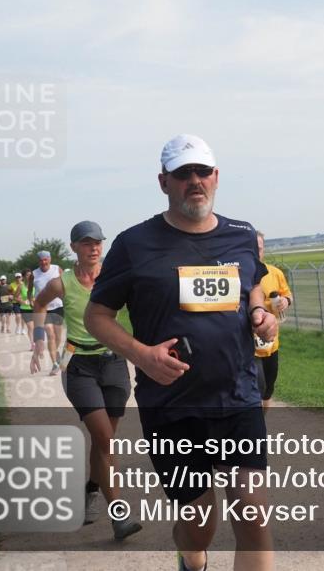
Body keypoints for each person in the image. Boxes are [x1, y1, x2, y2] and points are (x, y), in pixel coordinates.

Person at [84, 134, 278, 571]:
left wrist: (261, 311)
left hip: (237, 395)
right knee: (199, 522)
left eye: (202, 171)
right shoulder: (134, 244)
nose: (195, 181)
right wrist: (142, 355)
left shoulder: (242, 235)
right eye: (183, 173)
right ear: (163, 182)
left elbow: (253, 284)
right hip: (172, 405)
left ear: (216, 177)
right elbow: (97, 316)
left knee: (253, 511)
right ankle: (191, 557)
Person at [29, 220, 142, 541]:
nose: (94, 248)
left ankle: (91, 488)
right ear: (74, 247)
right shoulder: (60, 283)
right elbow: (38, 305)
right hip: (76, 362)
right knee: (105, 438)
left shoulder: (113, 275)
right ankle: (119, 515)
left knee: (104, 440)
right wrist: (39, 339)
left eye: (98, 243)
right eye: (86, 243)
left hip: (114, 362)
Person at [253, 231, 292, 412]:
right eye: (252, 248)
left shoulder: (275, 273)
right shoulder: (239, 274)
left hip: (271, 342)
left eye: (259, 249)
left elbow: (287, 294)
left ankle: (262, 425)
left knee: (268, 389)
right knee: (257, 387)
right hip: (248, 343)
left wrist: (286, 301)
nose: (256, 252)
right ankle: (254, 430)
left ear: (264, 250)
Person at [30, 250, 64, 375]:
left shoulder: (57, 269)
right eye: (41, 260)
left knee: (58, 336)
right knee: (50, 334)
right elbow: (29, 289)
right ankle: (55, 363)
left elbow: (64, 285)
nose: (43, 262)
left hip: (58, 306)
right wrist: (30, 299)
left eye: (45, 259)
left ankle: (56, 353)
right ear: (38, 261)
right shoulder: (34, 274)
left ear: (50, 259)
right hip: (43, 308)